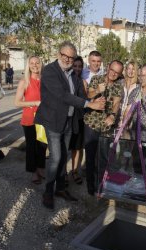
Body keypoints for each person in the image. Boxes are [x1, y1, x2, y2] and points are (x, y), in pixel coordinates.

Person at [35, 41, 105, 209]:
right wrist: (89, 105)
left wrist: (94, 101)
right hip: (53, 121)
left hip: (68, 121)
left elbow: (80, 94)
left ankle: (60, 188)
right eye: (64, 55)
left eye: (71, 57)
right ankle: (48, 191)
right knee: (56, 158)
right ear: (59, 54)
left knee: (63, 156)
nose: (67, 59)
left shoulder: (74, 74)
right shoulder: (50, 71)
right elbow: (63, 95)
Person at [84, 60, 124, 195]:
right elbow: (88, 95)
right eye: (112, 70)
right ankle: (90, 186)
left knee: (103, 157)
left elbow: (117, 103)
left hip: (106, 127)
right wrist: (97, 90)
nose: (113, 74)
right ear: (108, 67)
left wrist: (112, 115)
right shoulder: (97, 79)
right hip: (92, 124)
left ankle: (101, 184)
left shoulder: (118, 87)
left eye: (117, 73)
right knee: (90, 156)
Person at [14, 56, 47, 184]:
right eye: (32, 63)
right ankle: (33, 171)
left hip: (43, 119)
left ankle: (40, 168)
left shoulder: (45, 81)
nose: (35, 65)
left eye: (37, 62)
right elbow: (16, 102)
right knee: (32, 146)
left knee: (43, 145)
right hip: (29, 119)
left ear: (41, 64)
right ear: (28, 65)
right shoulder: (24, 81)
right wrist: (34, 103)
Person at [67, 56, 88, 185]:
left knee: (77, 147)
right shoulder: (65, 80)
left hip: (79, 118)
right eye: (75, 66)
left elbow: (85, 100)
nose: (77, 68)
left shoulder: (82, 82)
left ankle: (75, 171)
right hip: (67, 118)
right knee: (65, 148)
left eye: (80, 66)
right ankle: (63, 173)